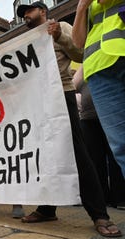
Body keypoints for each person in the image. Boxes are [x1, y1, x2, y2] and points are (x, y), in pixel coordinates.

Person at [16, 2, 122, 237]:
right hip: (37, 101)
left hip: (60, 96)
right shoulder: (26, 42)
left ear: (43, 11)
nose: (25, 16)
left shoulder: (60, 26)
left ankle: (99, 214)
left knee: (78, 154)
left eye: (28, 12)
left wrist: (59, 37)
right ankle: (46, 209)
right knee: (43, 156)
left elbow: (79, 53)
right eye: (22, 14)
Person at [72, 0, 125, 180]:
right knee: (120, 146)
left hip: (120, 57)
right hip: (100, 71)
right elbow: (78, 42)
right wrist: (81, 9)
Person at [73, 65, 125, 210]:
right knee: (95, 159)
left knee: (115, 157)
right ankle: (102, 196)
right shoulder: (85, 65)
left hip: (110, 116)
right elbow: (74, 84)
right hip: (88, 118)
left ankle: (120, 198)